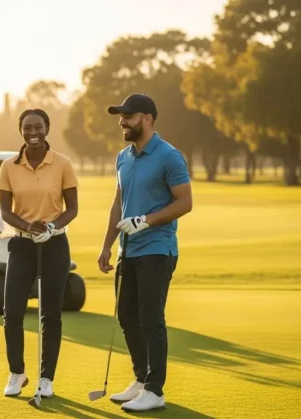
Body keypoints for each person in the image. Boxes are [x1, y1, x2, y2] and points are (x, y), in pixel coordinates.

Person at [98, 93, 192, 412]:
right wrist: (107, 246)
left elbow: (184, 202)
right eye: (121, 117)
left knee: (150, 318)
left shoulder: (169, 156)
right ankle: (141, 379)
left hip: (158, 248)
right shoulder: (123, 157)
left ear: (148, 119)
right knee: (127, 315)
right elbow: (118, 203)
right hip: (129, 251)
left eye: (129, 116)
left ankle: (155, 390)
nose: (122, 122)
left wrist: (146, 221)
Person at [0, 109, 79, 398]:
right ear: (21, 130)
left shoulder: (63, 164)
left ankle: (47, 378)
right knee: (13, 312)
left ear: (47, 129)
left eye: (38, 127)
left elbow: (72, 208)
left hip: (55, 244)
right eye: (27, 127)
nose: (33, 132)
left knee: (50, 314)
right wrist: (29, 227)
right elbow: (6, 210)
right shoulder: (9, 166)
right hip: (21, 245)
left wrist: (52, 226)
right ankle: (17, 373)